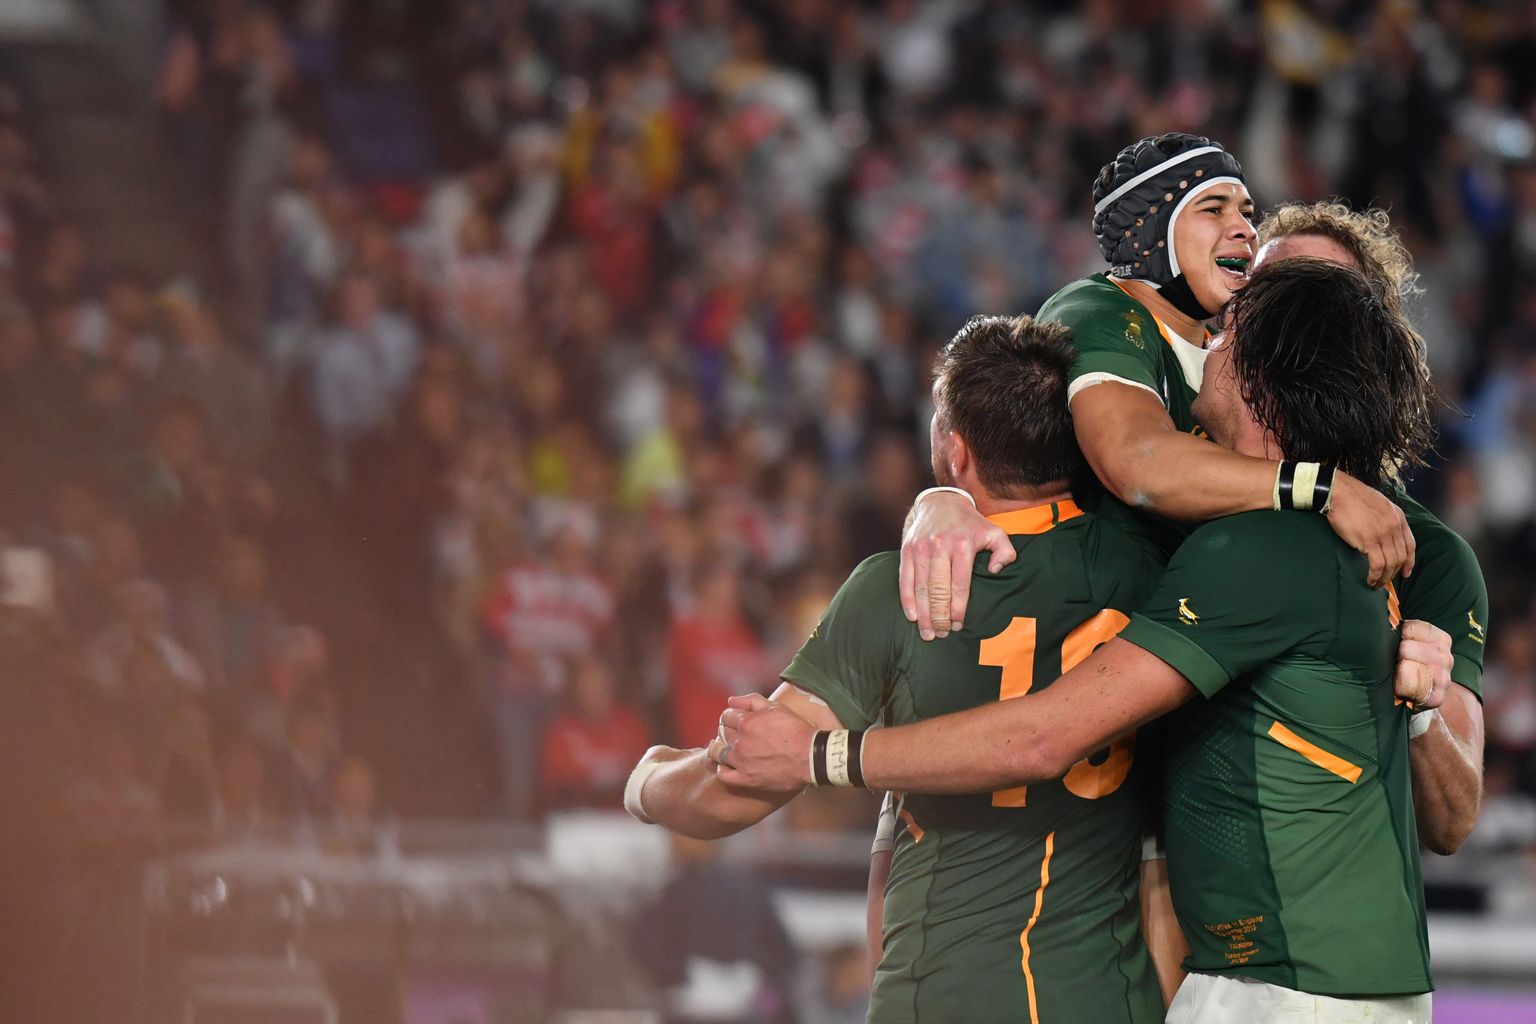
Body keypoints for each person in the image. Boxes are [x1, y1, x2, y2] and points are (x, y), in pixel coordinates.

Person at [713, 259, 1438, 1023]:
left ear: (1263, 380)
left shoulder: (1256, 549)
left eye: (1229, 336)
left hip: (1289, 989)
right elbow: (1068, 482)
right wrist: (943, 500)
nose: (1207, 347)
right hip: (1322, 973)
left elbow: (1046, 735)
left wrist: (819, 756)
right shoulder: (1296, 536)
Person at [626, 314, 1171, 1022]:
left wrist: (645, 781)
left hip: (947, 991)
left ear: (955, 450)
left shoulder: (899, 590)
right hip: (1108, 995)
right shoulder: (1150, 567)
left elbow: (727, 797)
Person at [899, 134, 1413, 644]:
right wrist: (1321, 489)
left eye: (1246, 212)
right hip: (1083, 634)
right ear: (1150, 230)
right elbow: (1137, 462)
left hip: (1190, 633)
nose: (1245, 230)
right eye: (1213, 209)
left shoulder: (1228, 349)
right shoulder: (1100, 311)